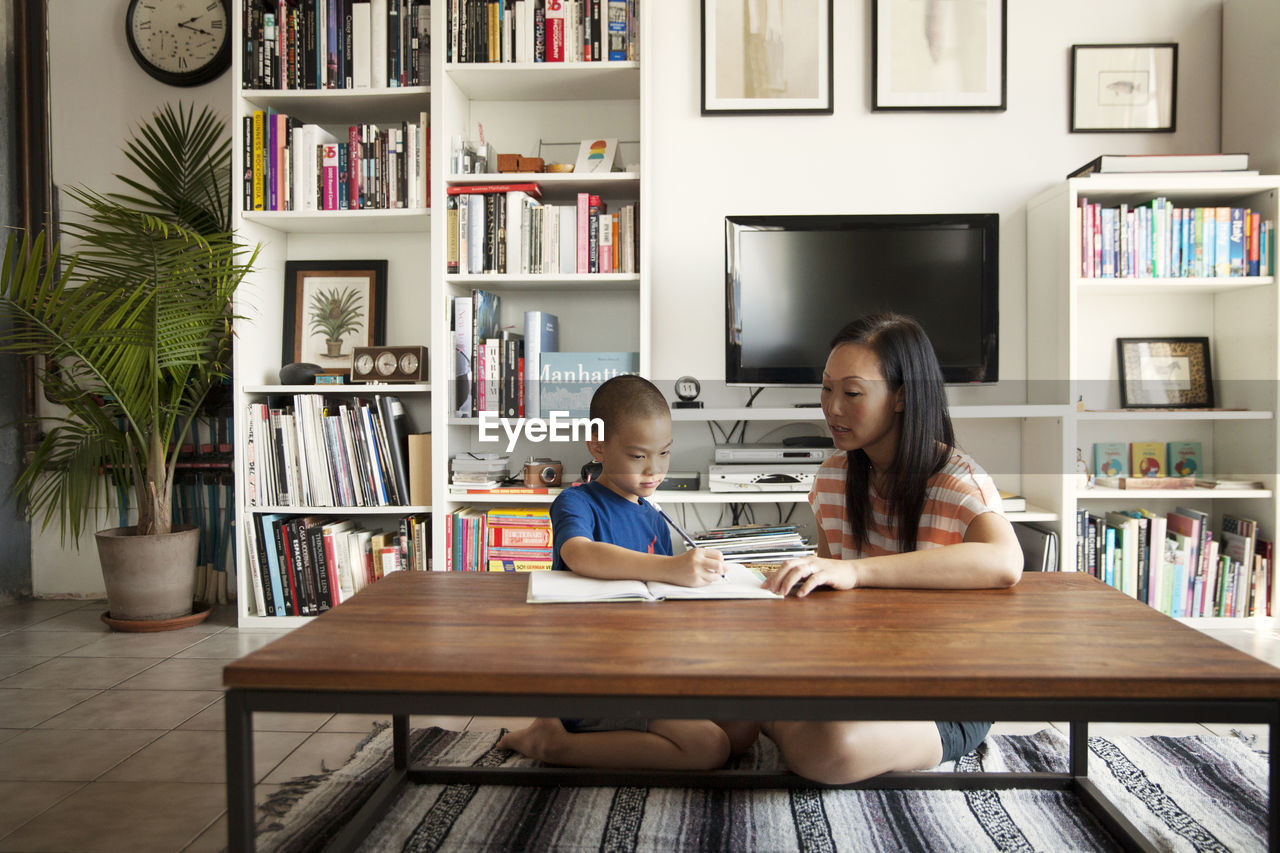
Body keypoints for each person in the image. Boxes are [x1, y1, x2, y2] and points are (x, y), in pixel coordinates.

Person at [759, 312, 1024, 785]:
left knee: (831, 750)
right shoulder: (835, 475)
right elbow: (826, 594)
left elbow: (1005, 563)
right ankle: (776, 718)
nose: (832, 408)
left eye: (852, 393)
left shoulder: (958, 480)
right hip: (858, 674)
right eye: (826, 389)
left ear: (901, 396)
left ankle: (774, 722)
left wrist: (859, 572)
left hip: (948, 692)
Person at [497, 374, 738, 770]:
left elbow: (661, 598)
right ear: (597, 446)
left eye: (664, 454)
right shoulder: (577, 501)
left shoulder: (655, 519)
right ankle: (553, 744)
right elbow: (580, 554)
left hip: (649, 670)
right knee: (708, 748)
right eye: (638, 455)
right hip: (594, 677)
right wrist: (673, 567)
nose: (654, 470)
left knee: (742, 732)